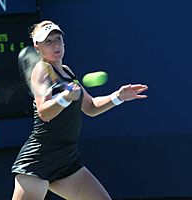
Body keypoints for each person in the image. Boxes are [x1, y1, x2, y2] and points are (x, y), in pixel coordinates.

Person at [11, 20, 148, 200]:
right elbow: (44, 112)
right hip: (39, 158)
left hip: (67, 158)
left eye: (58, 39)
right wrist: (64, 98)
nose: (55, 45)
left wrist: (118, 97)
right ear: (38, 47)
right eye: (48, 42)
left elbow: (90, 107)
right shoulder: (41, 70)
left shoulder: (67, 72)